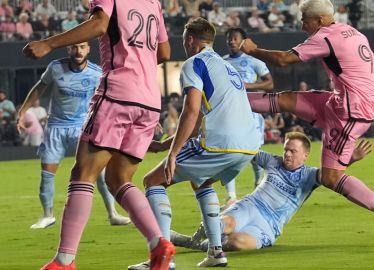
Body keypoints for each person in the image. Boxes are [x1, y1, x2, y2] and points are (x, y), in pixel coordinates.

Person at [239, 0, 374, 250]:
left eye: (304, 19)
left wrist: (252, 50)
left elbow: (284, 60)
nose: (301, 23)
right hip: (340, 103)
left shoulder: (326, 35)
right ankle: (231, 101)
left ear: (318, 20)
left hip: (348, 114)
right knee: (285, 100)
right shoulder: (353, 33)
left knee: (330, 177)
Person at [22, 0, 175, 268]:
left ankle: (64, 261)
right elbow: (164, 51)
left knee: (83, 174)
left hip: (117, 93)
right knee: (119, 178)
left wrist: (49, 43)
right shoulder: (153, 2)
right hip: (150, 101)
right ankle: (158, 244)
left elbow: (98, 24)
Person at [130, 18, 260, 269]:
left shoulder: (194, 63)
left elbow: (190, 110)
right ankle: (216, 253)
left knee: (152, 181)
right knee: (201, 181)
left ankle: (162, 259)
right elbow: (201, 114)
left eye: (184, 41)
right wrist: (164, 146)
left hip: (220, 142)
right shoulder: (225, 66)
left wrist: (173, 154)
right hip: (248, 145)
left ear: (190, 39)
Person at [170, 133, 372, 252]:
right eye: (286, 149)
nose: (287, 154)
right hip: (250, 206)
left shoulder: (310, 176)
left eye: (293, 151)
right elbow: (247, 152)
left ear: (305, 155)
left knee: (236, 243)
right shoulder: (272, 161)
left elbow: (331, 175)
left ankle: (192, 243)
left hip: (268, 225)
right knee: (225, 224)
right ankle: (197, 236)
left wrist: (351, 159)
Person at [17, 42, 131, 229]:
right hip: (56, 127)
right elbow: (40, 87)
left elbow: (113, 96)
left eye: (83, 47)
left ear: (88, 49)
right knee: (47, 173)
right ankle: (48, 216)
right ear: (67, 49)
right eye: (74, 47)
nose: (78, 51)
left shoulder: (96, 73)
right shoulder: (55, 68)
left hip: (82, 127)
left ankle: (113, 214)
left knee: (100, 173)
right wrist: (22, 111)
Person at [222, 27, 274, 207]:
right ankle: (231, 197)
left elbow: (270, 83)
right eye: (229, 39)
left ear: (244, 40)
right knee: (229, 151)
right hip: (231, 114)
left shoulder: (253, 61)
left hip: (252, 113)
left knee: (254, 153)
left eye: (235, 38)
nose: (232, 42)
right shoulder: (222, 62)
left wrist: (248, 86)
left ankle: (259, 183)